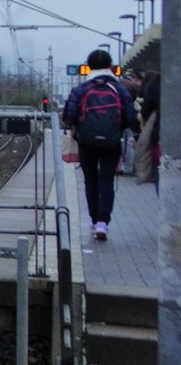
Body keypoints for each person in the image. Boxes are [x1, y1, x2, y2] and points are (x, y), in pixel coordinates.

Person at [62, 49, 138, 241]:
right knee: (107, 180)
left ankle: (94, 218)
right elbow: (130, 117)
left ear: (89, 66)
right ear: (110, 66)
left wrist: (78, 126)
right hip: (112, 142)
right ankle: (103, 222)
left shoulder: (81, 89)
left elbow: (68, 117)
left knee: (90, 180)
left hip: (86, 141)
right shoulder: (119, 88)